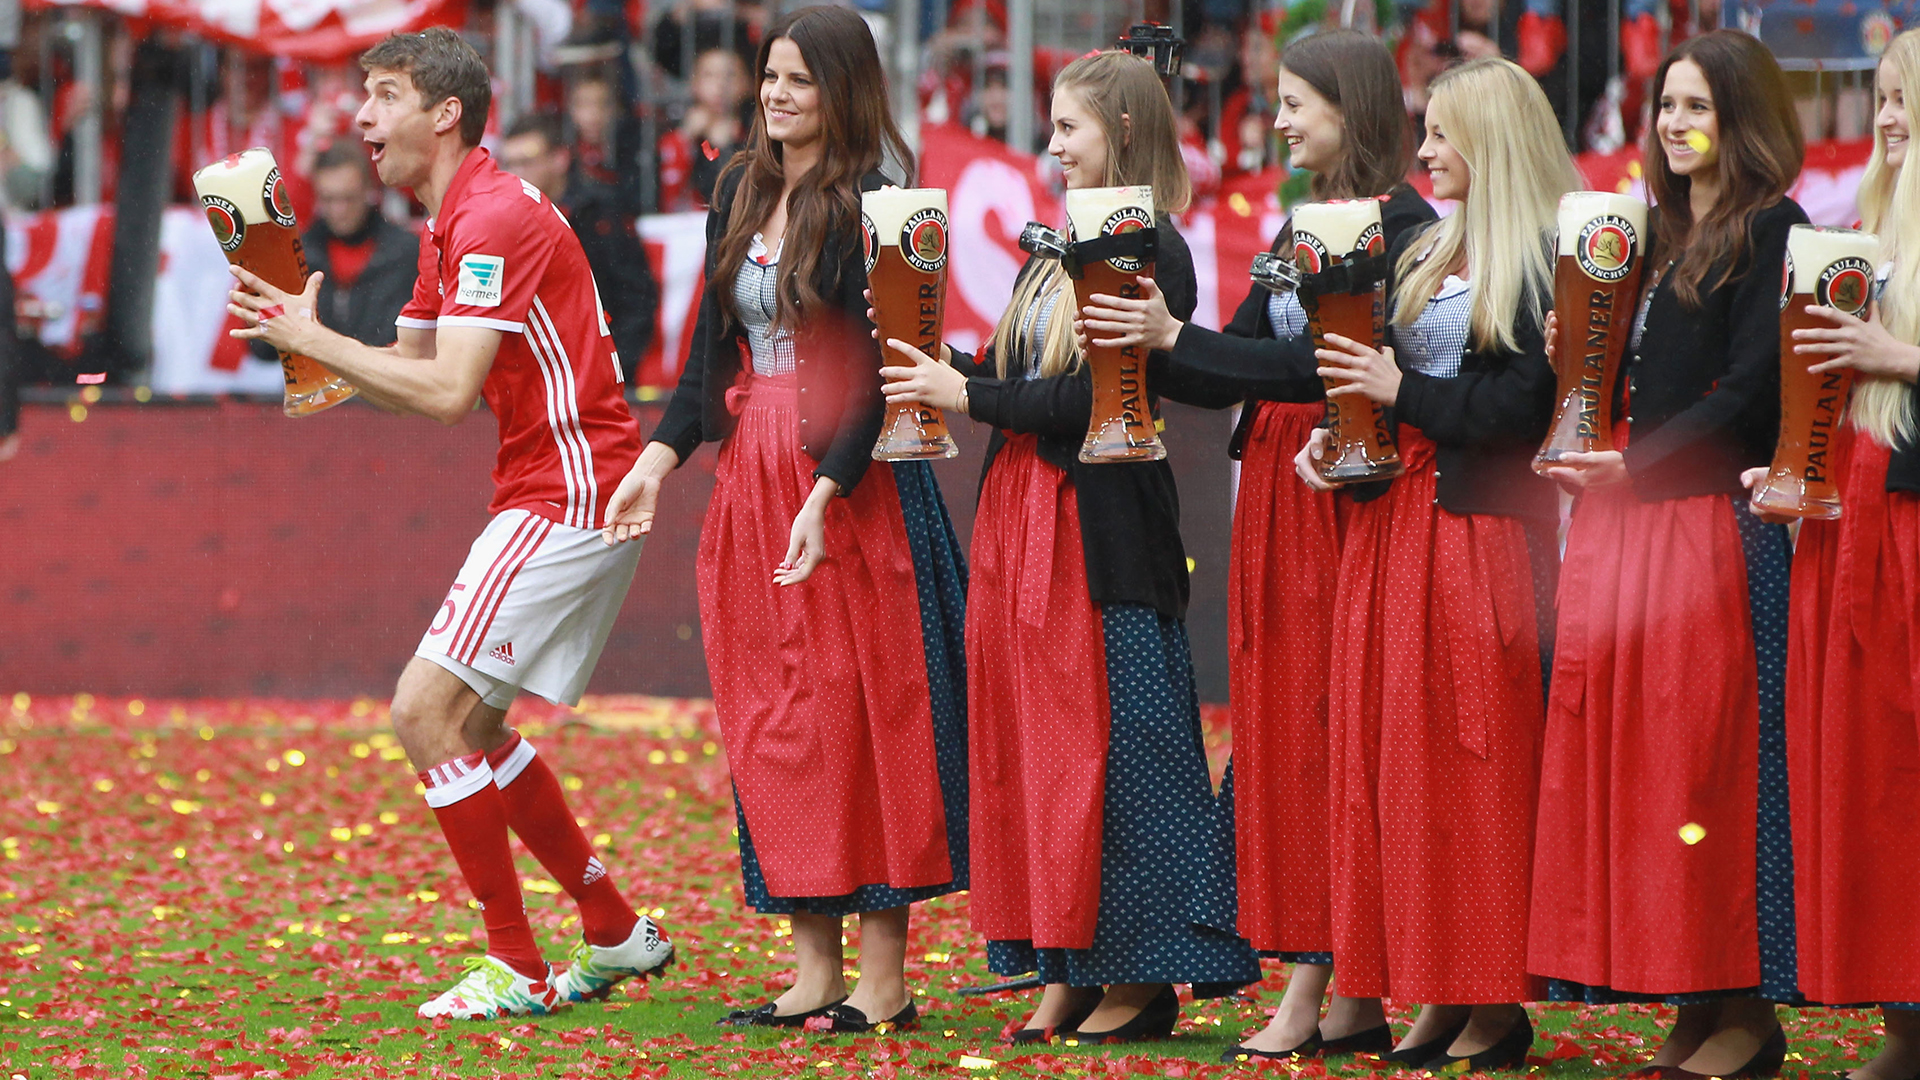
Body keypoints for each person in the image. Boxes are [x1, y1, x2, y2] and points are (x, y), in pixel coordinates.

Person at [227, 27, 674, 1020]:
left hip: (566, 487)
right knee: (474, 723)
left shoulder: (488, 219)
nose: (361, 117)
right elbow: (413, 374)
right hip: (562, 481)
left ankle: (516, 966)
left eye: (382, 96)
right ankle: (612, 930)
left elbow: (444, 394)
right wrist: (316, 367)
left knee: (420, 712)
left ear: (445, 114)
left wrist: (320, 340)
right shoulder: (450, 218)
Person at [601, 5, 969, 1034]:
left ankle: (883, 978)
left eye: (799, 80)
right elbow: (703, 361)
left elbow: (878, 378)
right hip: (752, 476)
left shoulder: (875, 206)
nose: (776, 95)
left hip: (850, 484)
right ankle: (811, 965)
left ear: (842, 90)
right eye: (770, 76)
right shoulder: (740, 186)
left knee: (867, 717)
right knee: (777, 719)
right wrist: (658, 462)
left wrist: (824, 491)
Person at [883, 48, 1260, 1045]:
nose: (1050, 146)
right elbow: (1014, 376)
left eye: (1068, 128)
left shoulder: (1154, 251)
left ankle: (1140, 975)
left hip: (1097, 528)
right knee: (1031, 748)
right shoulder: (1052, 249)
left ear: (1124, 133)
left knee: (1117, 747)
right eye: (1050, 126)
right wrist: (932, 356)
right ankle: (1061, 960)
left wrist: (964, 393)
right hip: (1022, 516)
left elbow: (1091, 397)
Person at [1079, 27, 1432, 1062]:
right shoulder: (1297, 223)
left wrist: (1174, 339)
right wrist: (1146, 320)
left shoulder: (1403, 228)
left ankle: (1330, 978)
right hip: (1275, 493)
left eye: (1295, 104)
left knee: (1328, 731)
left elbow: (1326, 369)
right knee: (1281, 734)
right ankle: (1333, 983)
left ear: (1352, 110)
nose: (1276, 122)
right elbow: (1227, 362)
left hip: (1339, 493)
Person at [1528, 29, 1809, 1076]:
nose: (1677, 125)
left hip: (1700, 533)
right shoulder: (1638, 232)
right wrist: (1576, 361)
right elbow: (1618, 375)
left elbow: (1749, 395)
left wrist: (1633, 462)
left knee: (1699, 773)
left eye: (1699, 107)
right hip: (1621, 528)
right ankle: (1693, 1005)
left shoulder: (1773, 227)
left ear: (1744, 120)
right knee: (1635, 780)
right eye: (1667, 106)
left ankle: (1741, 1010)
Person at [1292, 57, 1573, 1068]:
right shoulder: (1433, 246)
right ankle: (1439, 984)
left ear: (1490, 143)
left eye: (1445, 135)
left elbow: (1511, 413)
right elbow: (1387, 391)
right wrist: (1341, 438)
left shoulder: (1542, 258)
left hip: (1477, 538)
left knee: (1472, 763)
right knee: (1394, 764)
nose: (1425, 153)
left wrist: (1394, 387)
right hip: (1396, 525)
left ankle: (1492, 995)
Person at [1752, 28, 1920, 1080]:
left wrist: (1895, 354)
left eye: (1908, 99)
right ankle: (1905, 1021)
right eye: (1886, 98)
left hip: (1906, 526)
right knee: (1872, 780)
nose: (1890, 118)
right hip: (1854, 517)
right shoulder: (1863, 231)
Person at [499, 112, 659, 376]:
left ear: (560, 159)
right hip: (531, 371)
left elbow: (636, 299)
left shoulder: (601, 214)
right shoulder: (502, 220)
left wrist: (613, 367)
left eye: (526, 162)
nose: (515, 175)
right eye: (509, 164)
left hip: (596, 369)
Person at [295, 143, 419, 348]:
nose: (339, 210)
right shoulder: (301, 254)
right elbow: (265, 349)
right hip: (320, 376)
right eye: (329, 199)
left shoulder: (405, 253)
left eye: (348, 198)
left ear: (369, 191)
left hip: (381, 374)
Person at [656, 47, 753, 211]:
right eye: (710, 75)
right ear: (694, 83)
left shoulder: (754, 135)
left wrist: (723, 149)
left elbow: (732, 199)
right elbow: (660, 195)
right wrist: (684, 139)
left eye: (730, 75)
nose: (720, 85)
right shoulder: (673, 133)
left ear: (748, 84)